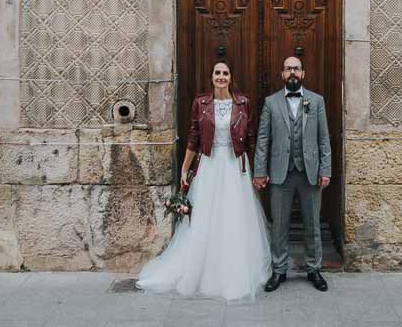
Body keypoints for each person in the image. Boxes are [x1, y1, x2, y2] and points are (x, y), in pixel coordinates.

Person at [137, 62, 271, 300]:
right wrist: (185, 168)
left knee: (234, 216)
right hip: (209, 166)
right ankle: (201, 268)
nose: (221, 76)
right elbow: (193, 137)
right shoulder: (201, 103)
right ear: (211, 77)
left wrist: (257, 169)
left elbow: (251, 138)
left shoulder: (243, 103)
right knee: (206, 216)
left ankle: (234, 270)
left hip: (235, 165)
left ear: (231, 78)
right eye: (217, 72)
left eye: (225, 73)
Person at [252, 56, 332, 292]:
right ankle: (279, 270)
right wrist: (259, 171)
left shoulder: (316, 101)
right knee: (279, 224)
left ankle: (314, 269)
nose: (293, 72)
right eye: (288, 69)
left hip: (310, 172)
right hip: (280, 173)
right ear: (282, 74)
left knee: (312, 224)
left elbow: (323, 139)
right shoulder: (271, 102)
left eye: (296, 68)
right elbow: (263, 139)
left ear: (303, 73)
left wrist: (325, 170)